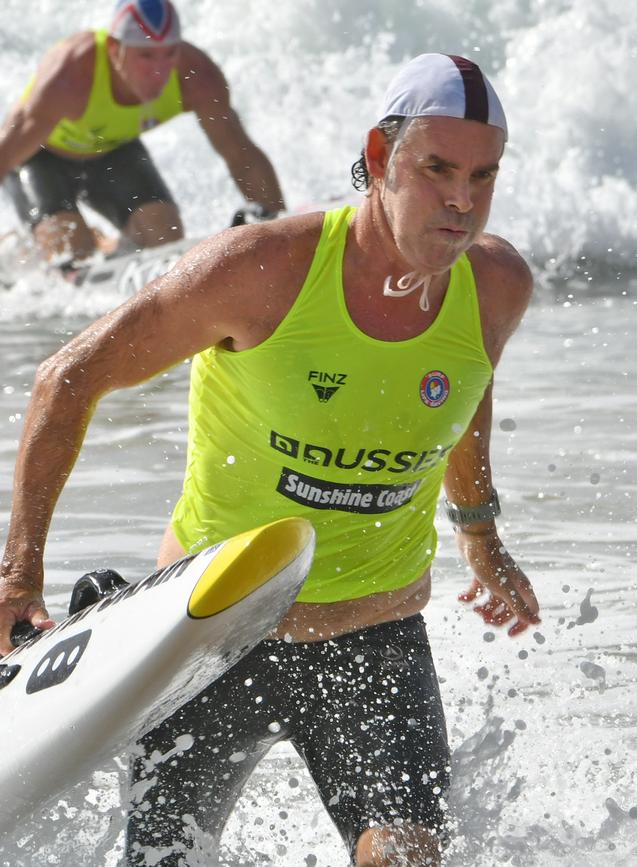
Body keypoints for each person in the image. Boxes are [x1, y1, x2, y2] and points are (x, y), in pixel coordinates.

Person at [0, 52, 540, 866]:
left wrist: (479, 530)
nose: (462, 200)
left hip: (375, 637)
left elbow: (465, 385)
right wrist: (17, 577)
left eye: (483, 175)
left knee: (412, 858)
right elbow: (67, 378)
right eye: (438, 169)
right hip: (211, 638)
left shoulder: (495, 284)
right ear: (382, 154)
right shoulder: (260, 270)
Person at [0, 0, 284, 271]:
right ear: (114, 49)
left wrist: (281, 231)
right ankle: (21, 251)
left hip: (112, 150)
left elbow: (241, 155)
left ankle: (106, 245)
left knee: (165, 236)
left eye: (169, 53)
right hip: (41, 158)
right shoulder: (71, 76)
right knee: (72, 251)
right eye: (145, 56)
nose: (159, 71)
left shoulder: (197, 77)